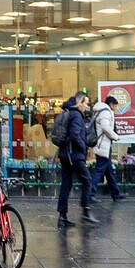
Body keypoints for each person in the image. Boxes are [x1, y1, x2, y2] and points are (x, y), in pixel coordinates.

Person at [53, 94, 95, 227]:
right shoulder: (76, 115)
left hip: (65, 154)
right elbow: (75, 135)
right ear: (79, 103)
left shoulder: (68, 113)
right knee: (87, 180)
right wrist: (83, 148)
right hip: (74, 155)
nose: (87, 106)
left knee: (66, 183)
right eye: (86, 103)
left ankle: (62, 216)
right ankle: (86, 212)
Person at [89, 92, 125, 202]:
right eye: (115, 105)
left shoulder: (102, 111)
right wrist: (115, 136)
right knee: (99, 170)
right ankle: (90, 194)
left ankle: (115, 193)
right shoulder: (105, 112)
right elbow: (105, 127)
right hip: (103, 145)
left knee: (109, 171)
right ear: (111, 104)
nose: (115, 108)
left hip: (103, 144)